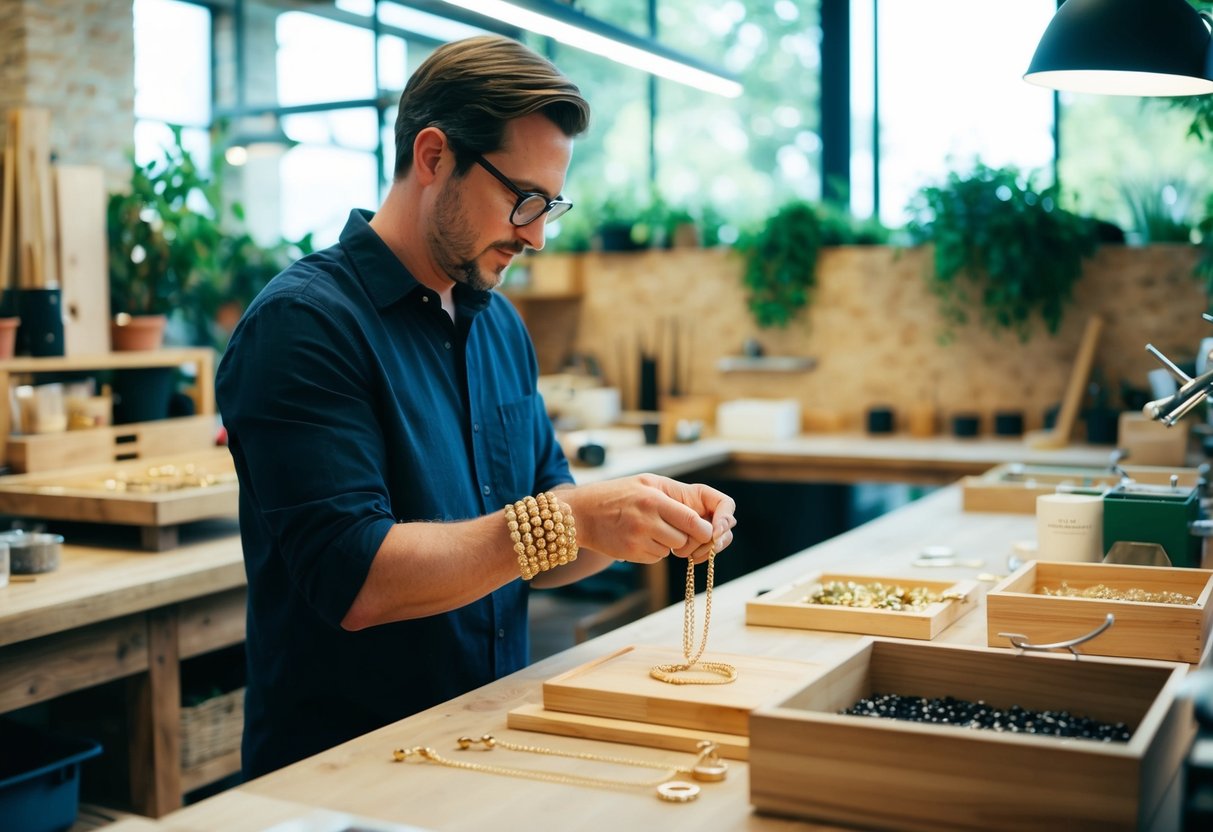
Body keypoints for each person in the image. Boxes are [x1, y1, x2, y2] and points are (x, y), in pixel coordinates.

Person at [215, 34, 737, 780]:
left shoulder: (497, 324)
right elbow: (355, 579)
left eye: (549, 204)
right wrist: (570, 519)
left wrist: (638, 517)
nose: (536, 234)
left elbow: (543, 543)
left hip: (488, 743)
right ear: (433, 157)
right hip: (346, 776)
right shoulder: (302, 326)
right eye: (521, 199)